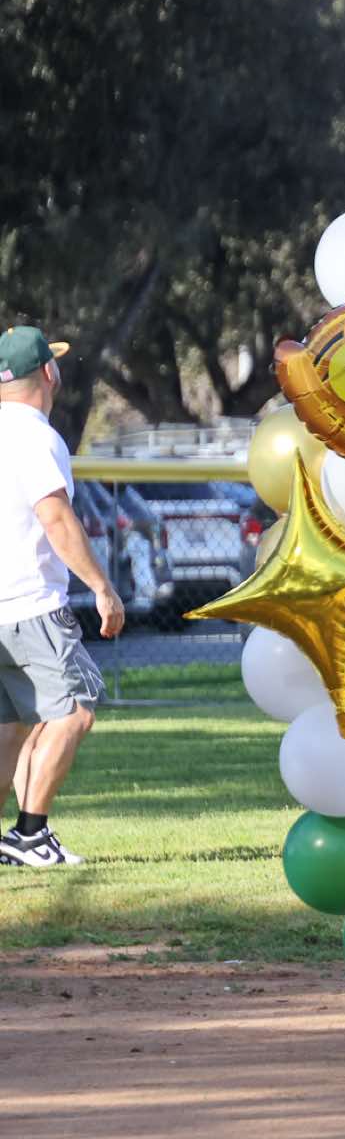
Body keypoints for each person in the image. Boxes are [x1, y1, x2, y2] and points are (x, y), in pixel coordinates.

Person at [1, 327, 121, 868]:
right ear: (48, 372)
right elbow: (55, 517)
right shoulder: (33, 435)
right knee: (74, 713)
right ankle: (30, 835)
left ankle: (17, 839)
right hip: (30, 604)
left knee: (11, 727)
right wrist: (101, 586)